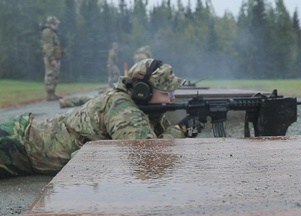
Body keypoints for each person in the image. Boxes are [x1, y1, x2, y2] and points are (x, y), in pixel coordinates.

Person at [0, 59, 202, 178]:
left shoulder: (146, 109)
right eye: (166, 92)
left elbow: (156, 140)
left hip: (28, 147)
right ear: (143, 92)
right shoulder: (122, 108)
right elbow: (146, 159)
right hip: (20, 143)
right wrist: (180, 130)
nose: (172, 97)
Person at [40, 16, 62, 101]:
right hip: (51, 58)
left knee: (54, 75)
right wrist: (51, 58)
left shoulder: (52, 32)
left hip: (55, 58)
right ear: (52, 23)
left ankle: (53, 93)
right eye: (56, 23)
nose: (57, 25)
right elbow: (48, 46)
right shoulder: (47, 32)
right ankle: (50, 94)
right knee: (50, 75)